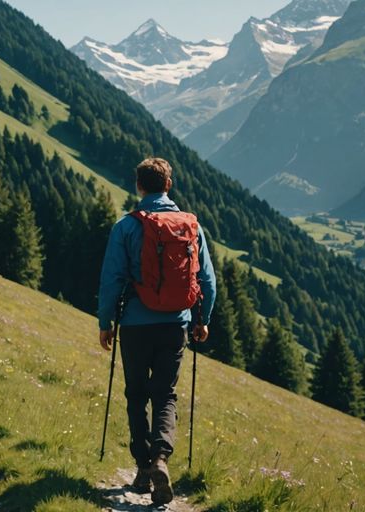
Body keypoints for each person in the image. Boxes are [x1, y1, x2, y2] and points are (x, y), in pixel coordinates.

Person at [96, 157, 216, 506]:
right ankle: (162, 458)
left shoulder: (126, 227)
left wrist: (106, 322)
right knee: (165, 393)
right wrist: (201, 319)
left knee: (136, 393)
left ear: (139, 186)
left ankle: (143, 468)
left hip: (134, 324)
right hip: (175, 324)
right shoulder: (190, 226)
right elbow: (206, 278)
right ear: (169, 185)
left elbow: (111, 279)